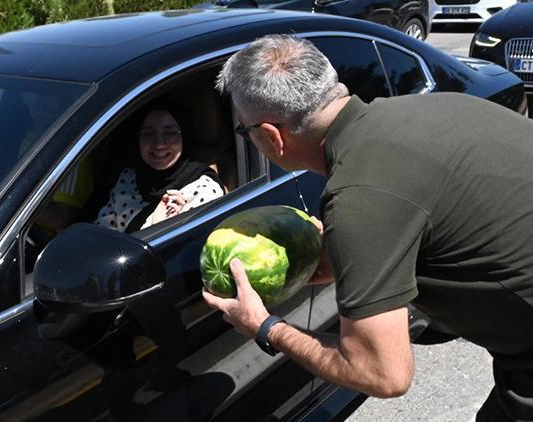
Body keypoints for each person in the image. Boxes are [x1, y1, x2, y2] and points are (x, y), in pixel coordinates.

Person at [204, 33, 533, 421]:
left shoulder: (358, 199)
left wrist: (265, 327)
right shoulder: (439, 106)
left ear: (273, 137)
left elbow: (384, 374)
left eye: (246, 130)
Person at [94, 104, 224, 232]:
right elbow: (101, 235)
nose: (159, 144)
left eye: (170, 133)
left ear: (184, 136)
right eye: (148, 133)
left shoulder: (204, 188)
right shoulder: (128, 177)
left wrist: (162, 227)